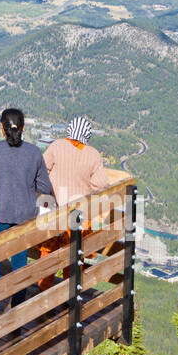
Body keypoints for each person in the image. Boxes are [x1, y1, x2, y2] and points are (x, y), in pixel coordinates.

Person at [0, 108, 56, 311]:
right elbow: (44, 188)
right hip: (25, 216)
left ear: (1, 128)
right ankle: (17, 305)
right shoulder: (34, 153)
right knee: (19, 263)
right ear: (23, 127)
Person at [38, 115, 109, 291]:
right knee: (73, 257)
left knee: (48, 255)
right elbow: (101, 184)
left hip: (54, 211)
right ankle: (69, 299)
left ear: (70, 130)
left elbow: (41, 169)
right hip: (78, 217)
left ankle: (43, 295)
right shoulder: (92, 154)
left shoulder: (57, 146)